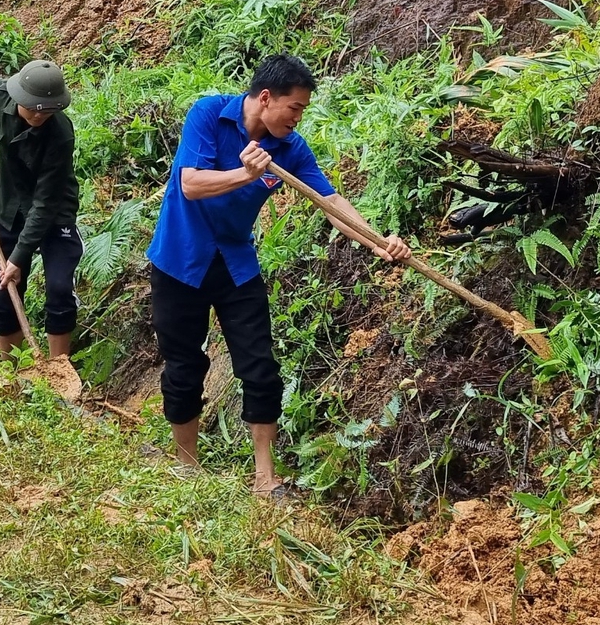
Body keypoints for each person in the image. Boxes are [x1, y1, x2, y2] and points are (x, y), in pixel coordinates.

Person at [147, 53, 409, 496]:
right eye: (295, 108)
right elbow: (190, 184)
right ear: (266, 98)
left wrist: (379, 240)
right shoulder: (208, 114)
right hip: (179, 261)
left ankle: (265, 478)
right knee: (185, 365)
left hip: (235, 266)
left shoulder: (290, 148)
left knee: (261, 366)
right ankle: (186, 466)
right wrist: (244, 173)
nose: (298, 118)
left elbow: (330, 202)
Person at [0, 59, 81, 357]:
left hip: (53, 214)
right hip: (9, 207)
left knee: (60, 290)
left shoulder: (60, 134)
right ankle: (12, 368)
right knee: (4, 294)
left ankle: (57, 369)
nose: (39, 116)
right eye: (34, 108)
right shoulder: (0, 94)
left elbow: (45, 202)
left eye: (47, 110)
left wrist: (19, 258)